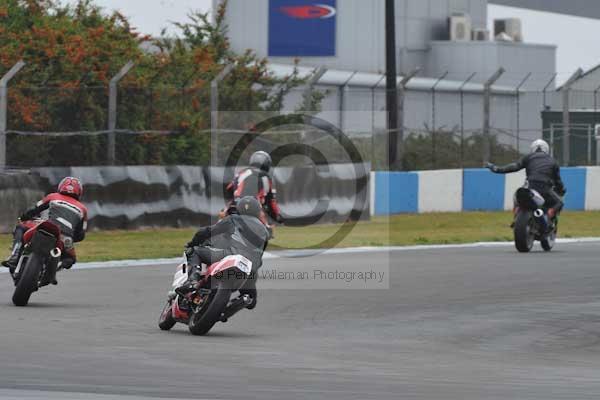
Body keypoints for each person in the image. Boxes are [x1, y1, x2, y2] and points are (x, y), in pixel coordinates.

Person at [178, 196, 270, 310]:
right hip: (251, 268)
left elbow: (207, 232)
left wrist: (192, 243)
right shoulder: (265, 231)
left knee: (195, 251)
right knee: (251, 300)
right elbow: (260, 253)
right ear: (257, 210)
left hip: (231, 256)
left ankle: (192, 280)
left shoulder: (234, 219)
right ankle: (240, 301)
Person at [2, 177, 88, 284]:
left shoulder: (53, 196)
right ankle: (54, 270)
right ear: (79, 191)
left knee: (20, 227)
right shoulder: (83, 209)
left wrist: (23, 218)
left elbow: (35, 209)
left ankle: (14, 257)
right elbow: (81, 234)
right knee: (70, 259)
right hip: (65, 238)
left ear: (61, 186)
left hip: (47, 225)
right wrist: (70, 237)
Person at [486, 139, 566, 222]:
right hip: (544, 188)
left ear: (533, 149)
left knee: (517, 196)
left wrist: (497, 169)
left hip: (530, 186)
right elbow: (558, 181)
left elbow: (514, 166)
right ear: (547, 149)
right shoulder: (552, 161)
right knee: (559, 203)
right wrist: (561, 190)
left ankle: (516, 216)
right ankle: (548, 218)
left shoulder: (528, 157)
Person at [225, 151, 283, 225]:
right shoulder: (266, 177)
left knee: (222, 222)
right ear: (267, 164)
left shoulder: (241, 173)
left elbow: (229, 189)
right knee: (266, 232)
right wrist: (277, 216)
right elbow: (270, 201)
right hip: (253, 208)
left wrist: (233, 201)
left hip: (235, 206)